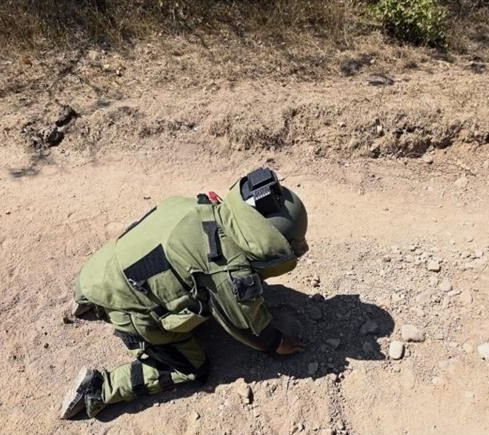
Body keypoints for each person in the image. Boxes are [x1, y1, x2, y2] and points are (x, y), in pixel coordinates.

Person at [59, 167, 309, 420]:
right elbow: (246, 327)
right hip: (127, 309)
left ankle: (85, 300)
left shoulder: (202, 205)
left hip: (96, 272)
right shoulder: (230, 274)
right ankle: (99, 389)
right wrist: (275, 343)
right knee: (191, 369)